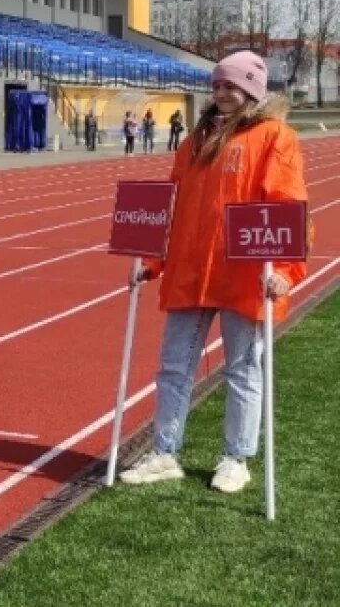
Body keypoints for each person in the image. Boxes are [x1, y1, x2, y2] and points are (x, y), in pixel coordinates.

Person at [121, 51, 309, 494]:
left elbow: (287, 206)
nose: (223, 93)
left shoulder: (274, 137)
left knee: (243, 368)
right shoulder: (196, 140)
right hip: (190, 270)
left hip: (244, 273)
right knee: (172, 367)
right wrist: (152, 259)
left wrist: (284, 268)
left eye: (233, 86)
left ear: (252, 91)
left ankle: (236, 457)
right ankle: (165, 452)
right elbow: (174, 203)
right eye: (219, 85)